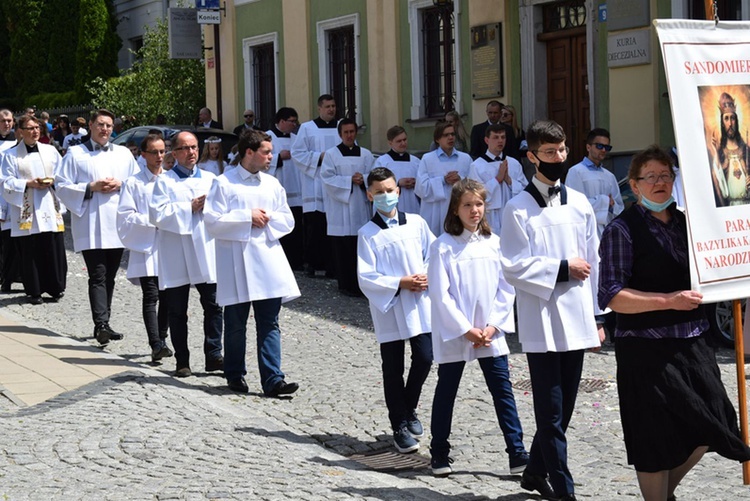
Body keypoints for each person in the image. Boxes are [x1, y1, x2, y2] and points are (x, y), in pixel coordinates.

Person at [598, 145, 750, 501]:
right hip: (645, 348)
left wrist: (733, 277)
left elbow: (714, 266)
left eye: (665, 175)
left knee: (714, 422)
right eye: (649, 177)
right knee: (653, 436)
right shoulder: (623, 230)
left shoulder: (689, 224)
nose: (659, 183)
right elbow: (611, 295)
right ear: (634, 186)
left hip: (693, 340)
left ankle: (665, 495)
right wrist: (668, 301)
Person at [499, 120, 603, 501]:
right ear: (531, 157)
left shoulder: (579, 202)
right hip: (541, 319)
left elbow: (593, 259)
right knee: (551, 411)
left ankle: (533, 473)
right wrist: (562, 268)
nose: (557, 158)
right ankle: (564, 490)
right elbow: (511, 265)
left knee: (567, 407)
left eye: (561, 151)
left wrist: (598, 316)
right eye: (549, 153)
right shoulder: (517, 208)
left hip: (576, 315)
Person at [428, 178, 528, 477]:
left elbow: (506, 287)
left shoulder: (495, 243)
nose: (474, 210)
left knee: (503, 392)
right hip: (457, 332)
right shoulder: (442, 246)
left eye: (479, 204)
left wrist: (493, 326)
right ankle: (439, 453)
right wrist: (465, 329)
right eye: (467, 205)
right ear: (455, 209)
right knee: (447, 390)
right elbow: (439, 293)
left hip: (489, 332)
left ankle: (517, 451)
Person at [204, 129, 300, 397]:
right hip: (236, 261)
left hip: (267, 259)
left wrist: (266, 219)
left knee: (269, 322)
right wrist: (246, 216)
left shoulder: (271, 184)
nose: (271, 156)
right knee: (235, 322)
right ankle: (235, 374)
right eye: (266, 152)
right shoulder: (224, 183)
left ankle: (273, 379)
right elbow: (212, 221)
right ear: (249, 152)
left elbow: (287, 219)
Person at [357, 167, 434, 453]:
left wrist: (425, 275)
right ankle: (399, 425)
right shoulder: (367, 234)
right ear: (369, 195)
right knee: (393, 368)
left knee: (425, 357)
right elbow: (366, 276)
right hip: (389, 305)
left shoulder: (416, 223)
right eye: (379, 192)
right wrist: (401, 282)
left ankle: (408, 407)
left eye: (390, 190)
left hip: (417, 303)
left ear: (398, 191)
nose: (386, 196)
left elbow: (433, 253)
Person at [56, 109, 139, 345]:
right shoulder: (75, 153)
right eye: (101, 124)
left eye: (109, 126)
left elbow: (137, 182)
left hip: (116, 224)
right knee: (98, 274)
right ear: (91, 125)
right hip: (91, 224)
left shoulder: (123, 154)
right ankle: (100, 324)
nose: (105, 129)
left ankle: (106, 321)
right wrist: (90, 187)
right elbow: (61, 185)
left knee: (110, 275)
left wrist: (120, 183)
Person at [148, 131, 223, 378]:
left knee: (213, 304)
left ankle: (213, 354)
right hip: (177, 250)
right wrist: (188, 207)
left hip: (205, 247)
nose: (191, 152)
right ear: (175, 153)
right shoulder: (164, 182)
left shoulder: (212, 179)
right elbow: (157, 215)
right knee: (177, 309)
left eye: (194, 147)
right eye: (185, 148)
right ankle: (183, 359)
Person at [116, 133, 173, 363]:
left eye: (162, 152)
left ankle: (162, 337)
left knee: (168, 295)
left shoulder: (171, 180)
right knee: (151, 295)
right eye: (154, 152)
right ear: (143, 154)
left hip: (168, 246)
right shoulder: (133, 183)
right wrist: (152, 220)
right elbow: (125, 215)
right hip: (146, 245)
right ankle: (155, 343)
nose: (159, 156)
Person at [0, 115, 66, 304]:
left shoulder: (50, 151)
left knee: (51, 246)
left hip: (48, 204)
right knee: (30, 249)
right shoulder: (10, 155)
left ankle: (55, 287)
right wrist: (28, 183)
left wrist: (53, 180)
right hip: (26, 208)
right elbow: (5, 182)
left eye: (37, 127)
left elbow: (62, 174)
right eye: (30, 128)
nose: (35, 131)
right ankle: (34, 290)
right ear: (20, 131)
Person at [321, 118, 374, 296]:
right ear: (340, 134)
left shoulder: (366, 154)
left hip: (360, 205)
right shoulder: (331, 154)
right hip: (341, 208)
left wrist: (364, 179)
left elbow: (374, 176)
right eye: (346, 132)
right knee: (343, 247)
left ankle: (361, 284)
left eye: (352, 132)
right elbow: (327, 178)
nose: (349, 135)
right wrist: (348, 180)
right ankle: (345, 283)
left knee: (358, 247)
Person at [291, 94, 339, 278]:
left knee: (334, 225)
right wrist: (320, 157)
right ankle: (311, 263)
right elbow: (298, 153)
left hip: (335, 183)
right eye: (327, 106)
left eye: (333, 106)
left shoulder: (341, 127)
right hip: (315, 182)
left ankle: (331, 265)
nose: (331, 109)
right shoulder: (307, 128)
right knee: (315, 226)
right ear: (319, 108)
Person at [415, 120, 472, 236]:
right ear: (437, 139)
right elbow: (421, 188)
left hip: (458, 209)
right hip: (435, 212)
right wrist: (442, 180)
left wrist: (460, 179)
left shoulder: (465, 159)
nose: (450, 137)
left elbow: (475, 184)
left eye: (452, 134)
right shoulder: (428, 159)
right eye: (446, 135)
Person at [468, 124, 528, 234]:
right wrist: (497, 180)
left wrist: (509, 181)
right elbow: (474, 194)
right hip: (490, 216)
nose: (500, 141)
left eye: (503, 137)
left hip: (511, 214)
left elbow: (525, 191)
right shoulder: (477, 166)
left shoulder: (514, 163)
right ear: (487, 140)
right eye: (496, 137)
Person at [565, 128, 624, 237]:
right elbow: (574, 204)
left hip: (607, 232)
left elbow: (619, 207)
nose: (603, 150)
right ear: (588, 147)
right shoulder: (576, 172)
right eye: (599, 146)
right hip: (586, 232)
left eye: (607, 147)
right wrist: (604, 201)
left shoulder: (610, 176)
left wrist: (611, 206)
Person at [266, 107, 303, 271]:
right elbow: (261, 159)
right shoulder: (268, 137)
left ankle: (297, 260)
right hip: (279, 185)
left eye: (295, 121)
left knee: (296, 225)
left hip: (297, 187)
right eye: (291, 121)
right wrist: (278, 157)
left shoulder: (297, 138)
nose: (294, 125)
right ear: (281, 121)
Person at [709, 91, 749, 206]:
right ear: (722, 123)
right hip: (731, 210)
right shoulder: (720, 152)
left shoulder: (746, 150)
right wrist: (716, 153)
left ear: (736, 121)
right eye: (726, 119)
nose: (730, 123)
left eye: (732, 118)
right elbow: (717, 178)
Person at [372, 126, 421, 214]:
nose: (403, 143)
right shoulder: (382, 161)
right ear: (390, 143)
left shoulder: (416, 161)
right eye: (399, 141)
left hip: (412, 204)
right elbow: (376, 184)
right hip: (391, 206)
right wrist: (398, 183)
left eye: (405, 139)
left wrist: (416, 182)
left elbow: (424, 183)